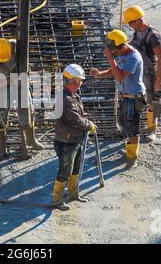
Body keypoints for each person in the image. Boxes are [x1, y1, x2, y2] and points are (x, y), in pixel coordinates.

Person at [91, 30, 146, 168]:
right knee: (123, 124)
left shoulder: (134, 58)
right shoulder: (122, 53)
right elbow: (114, 70)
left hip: (135, 98)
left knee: (133, 128)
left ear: (122, 46)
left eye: (115, 52)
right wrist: (100, 74)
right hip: (125, 96)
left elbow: (120, 76)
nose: (114, 54)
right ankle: (130, 148)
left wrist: (110, 58)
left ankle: (132, 157)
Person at [0, 38, 44, 160]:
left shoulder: (17, 47)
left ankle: (31, 139)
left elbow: (26, 68)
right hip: (2, 87)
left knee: (28, 110)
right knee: (1, 115)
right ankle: (2, 147)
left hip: (20, 81)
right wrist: (11, 80)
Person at [53, 64, 97, 211]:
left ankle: (73, 194)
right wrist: (88, 124)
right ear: (72, 81)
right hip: (66, 141)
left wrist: (86, 123)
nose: (80, 84)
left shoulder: (73, 95)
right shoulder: (65, 98)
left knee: (76, 168)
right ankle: (57, 200)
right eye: (79, 81)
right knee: (65, 170)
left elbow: (78, 116)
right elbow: (74, 119)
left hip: (75, 138)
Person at [124, 5, 161, 142]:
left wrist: (158, 81)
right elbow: (133, 43)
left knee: (155, 101)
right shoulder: (138, 32)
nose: (129, 26)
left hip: (151, 73)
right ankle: (145, 123)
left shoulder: (153, 35)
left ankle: (153, 130)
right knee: (142, 100)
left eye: (130, 23)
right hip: (140, 71)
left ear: (137, 20)